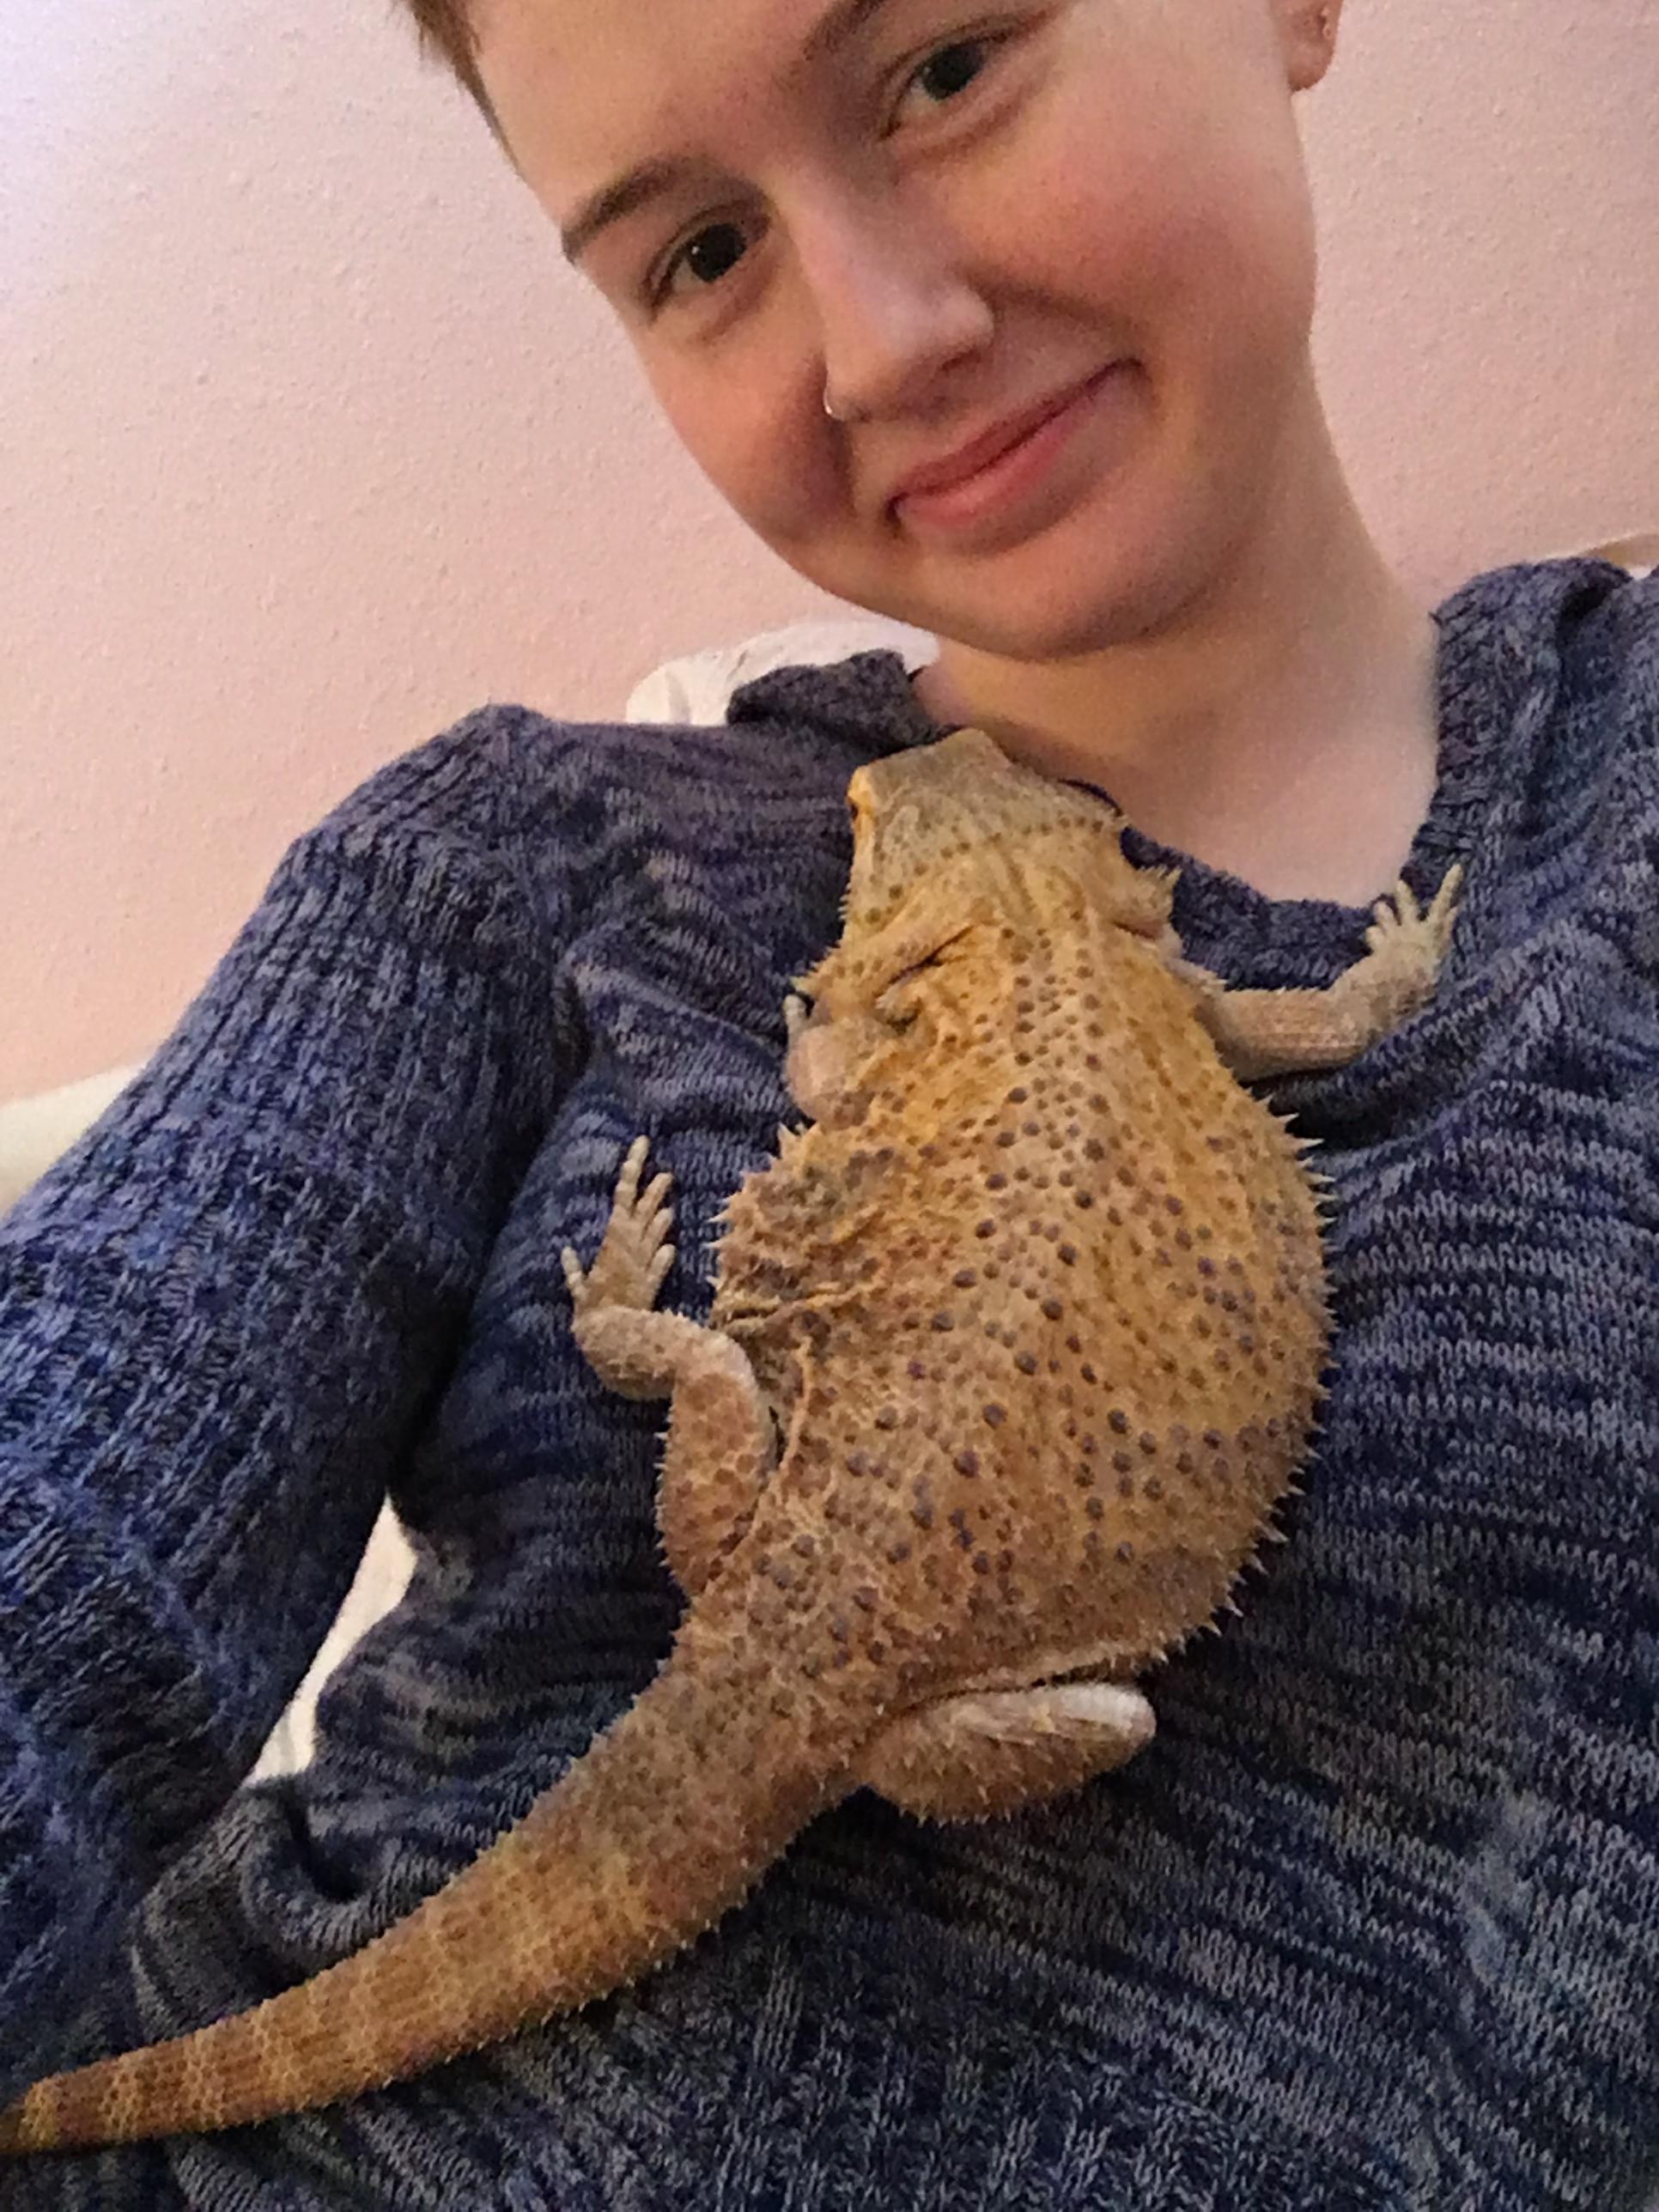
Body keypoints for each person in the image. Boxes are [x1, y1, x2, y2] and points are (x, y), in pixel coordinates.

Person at [1, 0, 1654, 2203]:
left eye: (949, 62)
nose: (879, 345)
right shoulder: (533, 859)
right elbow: (73, 1520)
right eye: (694, 251)